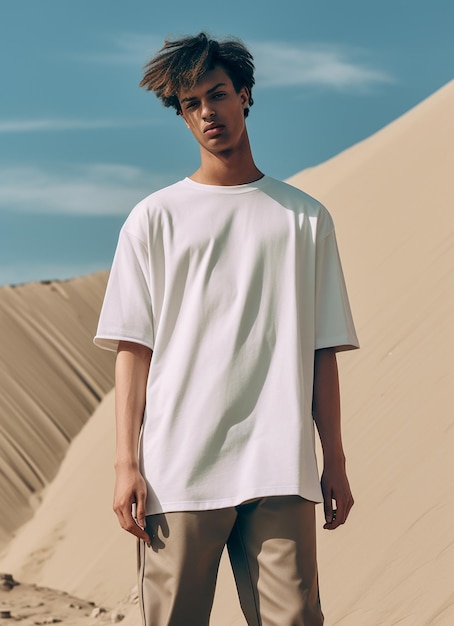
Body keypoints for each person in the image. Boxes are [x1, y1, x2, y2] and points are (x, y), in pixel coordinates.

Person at [94, 32, 359, 626]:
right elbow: (133, 351)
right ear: (183, 117)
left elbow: (322, 352)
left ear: (244, 95)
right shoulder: (153, 218)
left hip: (280, 467)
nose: (207, 112)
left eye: (217, 95)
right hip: (179, 470)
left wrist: (334, 460)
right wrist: (125, 465)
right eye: (191, 104)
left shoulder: (305, 218)